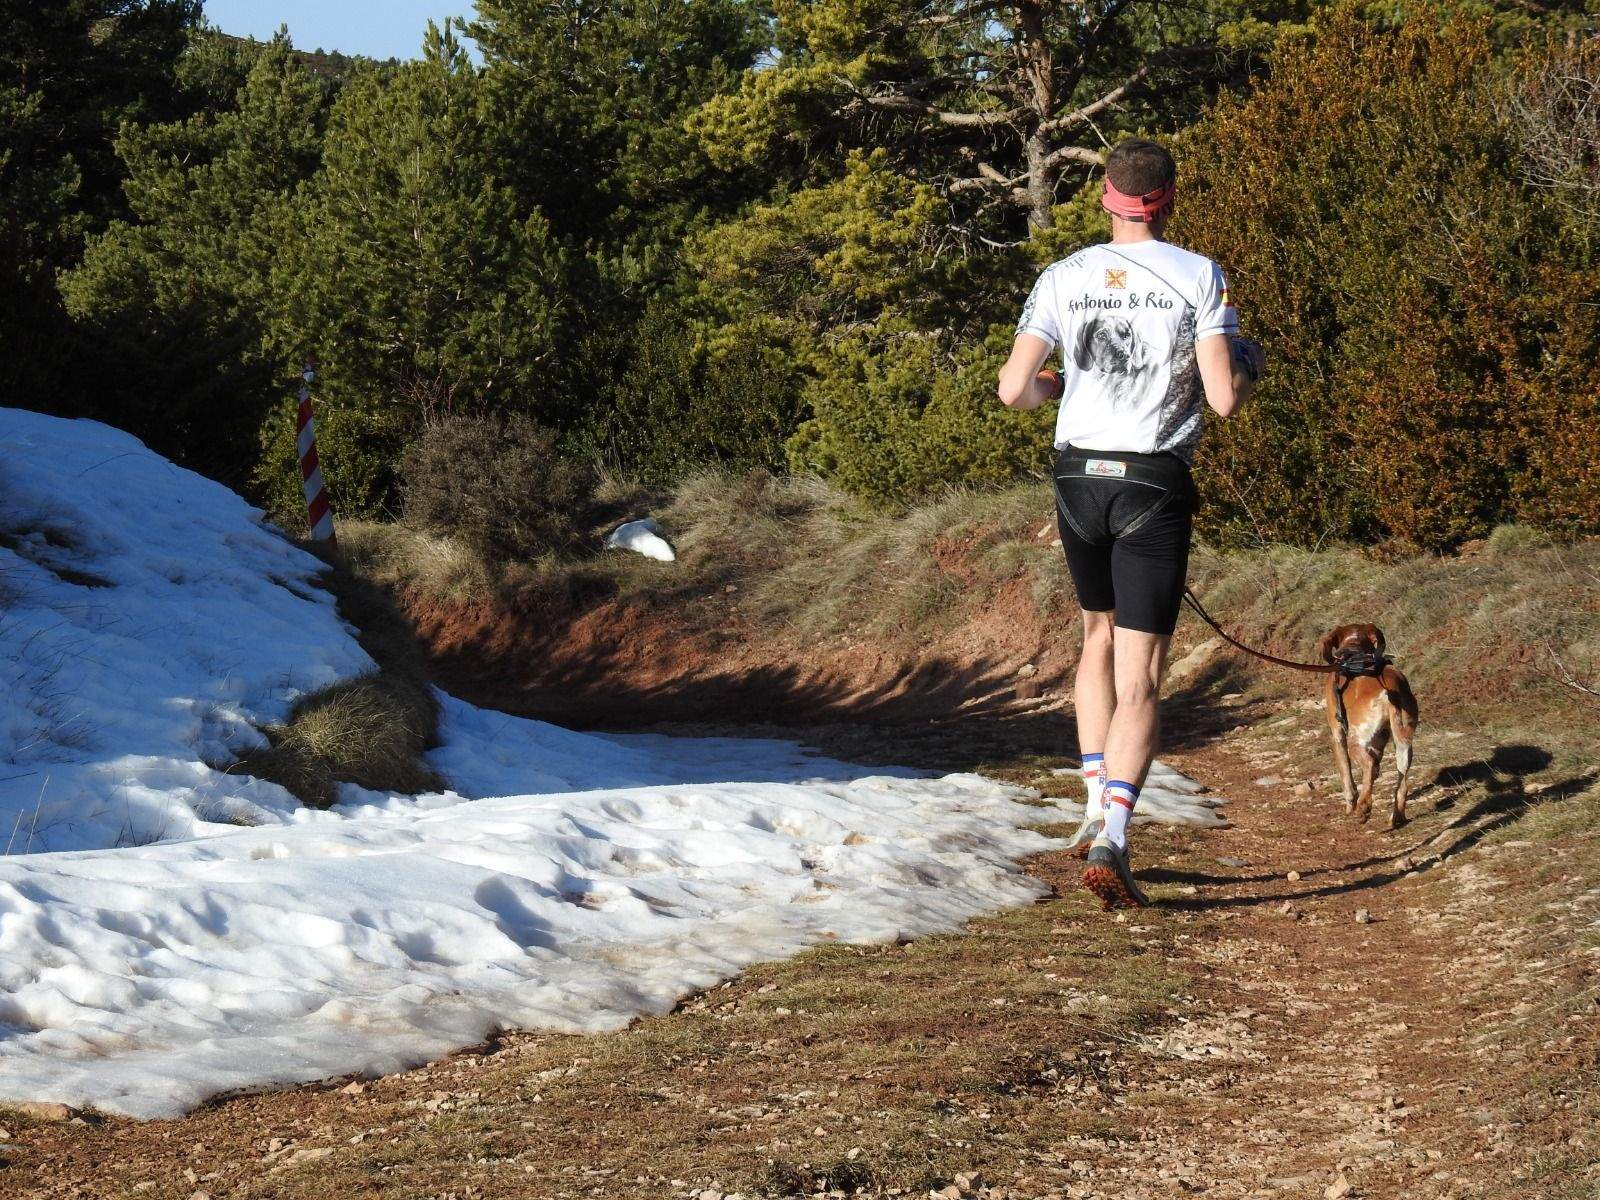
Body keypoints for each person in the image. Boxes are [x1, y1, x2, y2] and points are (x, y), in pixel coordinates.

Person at [996, 136, 1260, 909]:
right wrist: (1248, 360)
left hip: (1078, 477)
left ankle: (1087, 802)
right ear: (1168, 197)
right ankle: (1115, 829)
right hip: (1152, 480)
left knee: (1096, 638)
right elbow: (1224, 399)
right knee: (1142, 671)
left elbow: (1014, 390)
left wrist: (1058, 384)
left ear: (1105, 196)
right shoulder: (1198, 274)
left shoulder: (1063, 276)